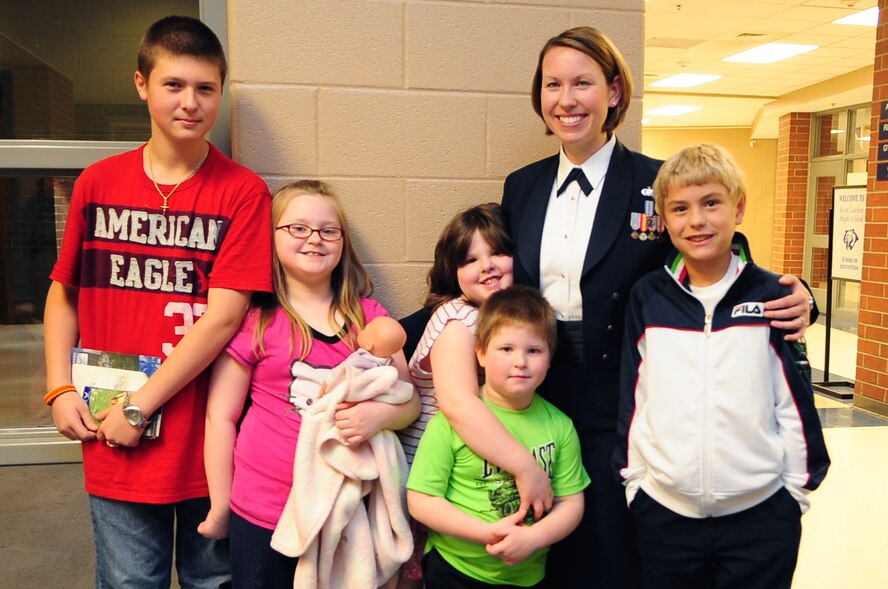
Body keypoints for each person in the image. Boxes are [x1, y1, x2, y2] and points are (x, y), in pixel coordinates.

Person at [499, 26, 816, 589]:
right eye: (552, 85)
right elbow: (499, 286)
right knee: (548, 553)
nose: (566, 100)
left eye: (583, 83)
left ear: (615, 92)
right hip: (538, 395)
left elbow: (716, 260)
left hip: (622, 396)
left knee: (615, 557)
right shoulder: (520, 187)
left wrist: (799, 298)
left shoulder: (655, 181)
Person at [43, 15, 272, 588]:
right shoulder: (98, 183)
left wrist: (141, 406)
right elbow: (63, 291)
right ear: (142, 84)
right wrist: (59, 386)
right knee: (128, 582)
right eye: (173, 84)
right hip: (113, 431)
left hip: (208, 436)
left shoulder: (243, 191)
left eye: (206, 88)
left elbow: (224, 317)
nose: (190, 102)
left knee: (212, 582)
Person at [613, 143, 830, 589]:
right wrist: (636, 485)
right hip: (665, 516)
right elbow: (635, 399)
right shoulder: (648, 297)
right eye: (680, 208)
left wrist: (795, 493)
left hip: (761, 518)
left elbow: (792, 400)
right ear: (664, 220)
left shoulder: (775, 297)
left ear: (739, 208)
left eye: (711, 203)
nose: (696, 220)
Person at [198, 180, 419, 589]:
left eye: (328, 230)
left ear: (342, 242)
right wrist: (219, 503)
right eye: (297, 228)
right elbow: (220, 416)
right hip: (263, 505)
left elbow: (410, 402)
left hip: (344, 508)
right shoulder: (256, 318)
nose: (314, 239)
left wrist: (379, 416)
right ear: (272, 238)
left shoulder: (368, 317)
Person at [396, 203, 555, 587]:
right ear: (453, 272)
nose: (486, 265)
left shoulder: (511, 321)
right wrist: (527, 468)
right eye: (470, 259)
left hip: (480, 475)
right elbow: (459, 404)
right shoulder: (459, 318)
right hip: (437, 478)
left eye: (497, 251)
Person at [408, 285, 589, 589]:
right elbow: (421, 500)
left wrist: (533, 538)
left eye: (533, 350)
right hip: (455, 569)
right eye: (506, 349)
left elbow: (571, 503)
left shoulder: (560, 426)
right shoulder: (451, 424)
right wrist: (486, 533)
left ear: (550, 357)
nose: (520, 361)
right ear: (480, 352)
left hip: (528, 575)